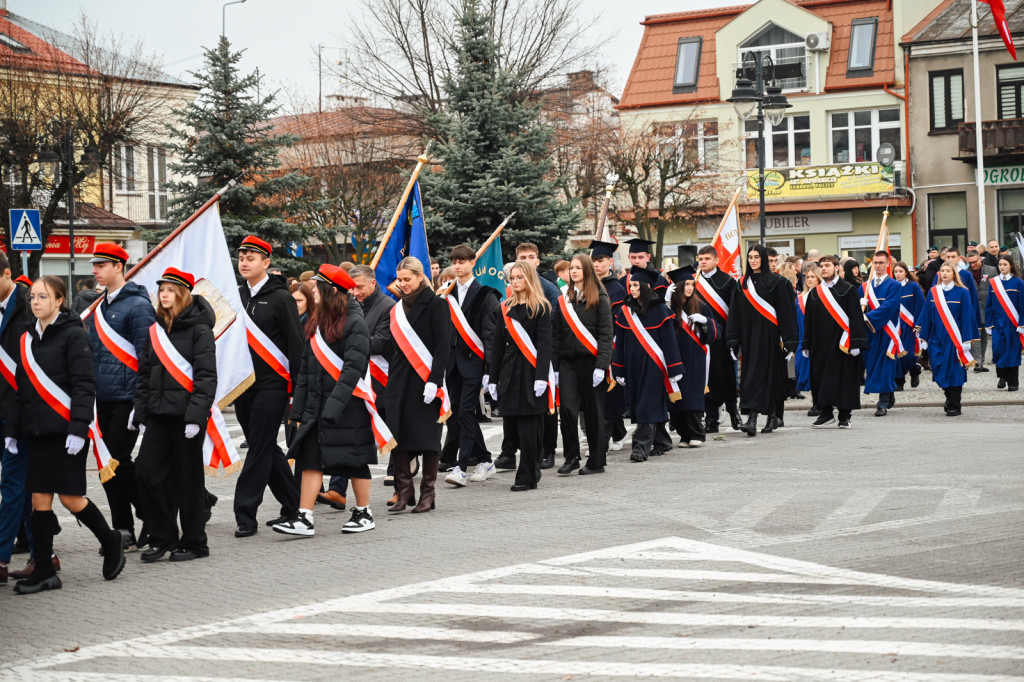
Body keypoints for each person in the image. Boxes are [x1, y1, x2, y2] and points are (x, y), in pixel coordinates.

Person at [5, 276, 125, 593]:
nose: (35, 302)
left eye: (42, 297)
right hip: (37, 430)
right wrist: (13, 431)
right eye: (32, 297)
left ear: (59, 300)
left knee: (71, 498)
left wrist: (78, 428)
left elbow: (84, 387)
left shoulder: (74, 335)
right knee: (38, 498)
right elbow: (22, 389)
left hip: (66, 432)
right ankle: (45, 570)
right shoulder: (28, 338)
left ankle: (111, 540)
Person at [274, 265, 377, 536]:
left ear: (331, 291)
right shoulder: (317, 322)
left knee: (354, 460)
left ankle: (364, 512)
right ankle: (304, 517)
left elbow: (353, 370)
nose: (313, 291)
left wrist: (335, 404)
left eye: (318, 286)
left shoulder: (355, 323)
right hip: (317, 406)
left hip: (348, 406)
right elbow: (307, 370)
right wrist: (298, 410)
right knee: (310, 459)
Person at [132, 269, 216, 562]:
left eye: (169, 290)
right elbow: (144, 375)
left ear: (182, 294)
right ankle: (164, 536)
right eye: (161, 290)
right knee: (145, 473)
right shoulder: (155, 329)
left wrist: (195, 417)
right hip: (158, 414)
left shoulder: (200, 330)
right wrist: (140, 412)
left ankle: (195, 543)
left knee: (189, 482)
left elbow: (206, 377)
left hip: (186, 418)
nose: (163, 295)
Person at [84, 243, 155, 551]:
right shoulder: (98, 307)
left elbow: (147, 356)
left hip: (127, 397)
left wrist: (141, 402)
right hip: (103, 397)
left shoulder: (138, 306)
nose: (94, 270)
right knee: (108, 465)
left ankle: (145, 518)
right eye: (94, 265)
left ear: (118, 267)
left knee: (117, 462)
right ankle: (130, 525)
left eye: (101, 265)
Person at [233, 236, 302, 539]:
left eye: (251, 258)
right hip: (243, 385)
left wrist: (298, 389)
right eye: (242, 258)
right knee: (266, 447)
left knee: (259, 447)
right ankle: (295, 504)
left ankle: (245, 513)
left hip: (273, 384)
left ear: (266, 263)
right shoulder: (236, 295)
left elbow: (296, 345)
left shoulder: (280, 298)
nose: (245, 263)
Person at [385, 257, 450, 513]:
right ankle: (404, 492)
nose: (402, 284)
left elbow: (443, 346)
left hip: (425, 381)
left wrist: (434, 381)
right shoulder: (397, 308)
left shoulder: (437, 305)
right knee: (398, 436)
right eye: (399, 279)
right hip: (399, 381)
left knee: (428, 439)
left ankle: (428, 493)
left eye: (407, 279)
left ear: (420, 277)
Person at [486, 261, 552, 490]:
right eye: (511, 278)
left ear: (529, 279)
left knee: (528, 429)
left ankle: (526, 477)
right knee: (513, 426)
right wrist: (493, 378)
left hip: (532, 373)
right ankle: (532, 467)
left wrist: (542, 377)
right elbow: (497, 347)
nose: (514, 281)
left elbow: (544, 346)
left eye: (519, 277)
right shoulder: (504, 308)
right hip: (510, 372)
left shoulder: (541, 308)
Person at [439, 245, 501, 487]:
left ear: (473, 262)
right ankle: (486, 459)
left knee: (466, 411)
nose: (457, 265)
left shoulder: (486, 294)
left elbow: (490, 334)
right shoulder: (447, 293)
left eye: (462, 261)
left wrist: (490, 369)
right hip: (452, 363)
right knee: (460, 412)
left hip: (474, 363)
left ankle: (462, 467)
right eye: (454, 261)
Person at [726, 244, 799, 436]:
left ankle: (758, 418)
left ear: (764, 259)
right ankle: (764, 416)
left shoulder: (778, 282)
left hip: (771, 338)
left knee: (768, 379)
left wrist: (790, 341)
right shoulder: (741, 284)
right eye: (750, 257)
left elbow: (787, 313)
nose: (752, 260)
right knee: (752, 378)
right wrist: (732, 339)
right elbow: (734, 314)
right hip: (750, 339)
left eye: (756, 257)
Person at [612, 266, 682, 461]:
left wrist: (674, 368)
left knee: (646, 404)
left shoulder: (661, 310)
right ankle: (662, 441)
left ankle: (640, 448)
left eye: (635, 285)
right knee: (643, 403)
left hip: (655, 366)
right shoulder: (625, 311)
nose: (631, 289)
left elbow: (669, 342)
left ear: (645, 286)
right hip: (633, 366)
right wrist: (619, 368)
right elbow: (620, 342)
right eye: (630, 285)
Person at [552, 254, 612, 474]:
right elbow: (556, 335)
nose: (574, 271)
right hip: (568, 362)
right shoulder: (563, 300)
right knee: (567, 409)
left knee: (593, 412)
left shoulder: (599, 297)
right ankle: (571, 457)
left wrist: (601, 365)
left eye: (578, 268)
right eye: (572, 268)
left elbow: (606, 333)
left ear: (587, 271)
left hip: (591, 362)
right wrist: (556, 367)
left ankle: (596, 461)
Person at [347, 265, 396, 505]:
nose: (355, 291)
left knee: (389, 426)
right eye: (352, 286)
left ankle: (398, 473)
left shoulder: (387, 306)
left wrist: (351, 343)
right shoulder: (351, 304)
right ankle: (338, 485)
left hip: (381, 376)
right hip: (359, 375)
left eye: (360, 286)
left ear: (373, 283)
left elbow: (382, 342)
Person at [802, 256, 868, 428]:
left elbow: (855, 317)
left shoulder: (848, 289)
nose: (823, 269)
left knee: (843, 379)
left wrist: (856, 342)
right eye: (821, 266)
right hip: (820, 344)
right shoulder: (815, 293)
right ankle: (825, 413)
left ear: (837, 267)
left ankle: (845, 416)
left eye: (827, 266)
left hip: (842, 344)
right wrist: (806, 344)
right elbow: (808, 320)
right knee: (820, 378)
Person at [0, 254, 34, 584]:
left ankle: (0, 558)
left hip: (21, 414)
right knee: (22, 490)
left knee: (11, 484)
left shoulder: (29, 304)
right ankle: (44, 555)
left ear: (8, 274)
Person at [512, 243, 560, 469]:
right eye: (523, 257)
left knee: (547, 407)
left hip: (542, 353)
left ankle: (548, 451)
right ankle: (521, 450)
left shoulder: (548, 289)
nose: (528, 260)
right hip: (518, 358)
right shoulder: (512, 287)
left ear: (538, 261)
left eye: (532, 257)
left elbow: (555, 320)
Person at [918, 262, 978, 416]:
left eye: (948, 271)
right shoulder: (933, 292)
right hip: (936, 338)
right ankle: (948, 396)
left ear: (954, 274)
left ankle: (955, 404)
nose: (944, 273)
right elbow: (926, 315)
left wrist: (966, 341)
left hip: (955, 339)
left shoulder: (962, 292)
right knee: (938, 369)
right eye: (942, 271)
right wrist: (923, 337)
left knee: (955, 372)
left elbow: (967, 317)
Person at [667, 267, 718, 447]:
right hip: (675, 356)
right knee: (677, 397)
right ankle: (684, 435)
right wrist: (666, 303)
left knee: (692, 396)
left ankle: (697, 434)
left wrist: (706, 322)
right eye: (686, 284)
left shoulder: (701, 306)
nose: (689, 288)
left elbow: (714, 330)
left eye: (691, 284)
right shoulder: (670, 307)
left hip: (695, 357)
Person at [693, 245, 741, 433]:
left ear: (716, 260)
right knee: (706, 378)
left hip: (723, 338)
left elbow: (734, 313)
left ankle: (733, 413)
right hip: (701, 338)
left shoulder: (728, 282)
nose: (703, 262)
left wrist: (733, 338)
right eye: (701, 259)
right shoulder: (694, 281)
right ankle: (711, 418)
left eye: (707, 258)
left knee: (727, 377)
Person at [588, 240, 628, 453]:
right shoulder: (588, 285)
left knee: (610, 395)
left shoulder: (617, 289)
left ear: (610, 262)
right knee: (597, 395)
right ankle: (619, 432)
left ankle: (603, 440)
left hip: (610, 346)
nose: (597, 264)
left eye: (601, 260)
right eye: (593, 260)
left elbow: (617, 321)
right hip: (590, 347)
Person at [860, 251, 903, 417]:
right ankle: (889, 391)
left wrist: (868, 316)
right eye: (875, 263)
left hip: (886, 332)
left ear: (887, 264)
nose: (877, 266)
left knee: (885, 366)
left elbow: (890, 307)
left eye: (881, 263)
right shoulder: (864, 287)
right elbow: (856, 310)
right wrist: (860, 306)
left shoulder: (894, 285)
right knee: (871, 366)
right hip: (869, 333)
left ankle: (882, 402)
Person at [985, 256, 1024, 391]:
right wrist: (989, 323)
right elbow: (989, 305)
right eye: (1000, 264)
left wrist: (1022, 324)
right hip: (997, 323)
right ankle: (1002, 377)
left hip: (1013, 324)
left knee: (1013, 352)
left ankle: (1013, 382)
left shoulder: (1018, 283)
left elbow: (1022, 305)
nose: (1002, 267)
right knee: (999, 350)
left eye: (1005, 264)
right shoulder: (993, 282)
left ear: (1011, 266)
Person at [893, 262, 925, 390]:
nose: (898, 274)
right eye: (896, 272)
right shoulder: (892, 286)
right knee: (896, 355)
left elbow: (920, 305)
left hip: (910, 326)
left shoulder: (913, 287)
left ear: (906, 272)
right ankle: (899, 381)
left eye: (900, 271)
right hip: (895, 326)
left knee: (908, 355)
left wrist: (918, 324)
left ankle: (914, 369)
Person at [965, 250, 999, 371]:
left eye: (974, 262)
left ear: (980, 259)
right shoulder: (965, 273)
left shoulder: (991, 270)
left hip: (987, 307)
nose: (972, 265)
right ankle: (977, 362)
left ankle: (981, 360)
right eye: (970, 263)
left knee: (985, 336)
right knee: (975, 336)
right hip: (972, 309)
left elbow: (997, 289)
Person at [794, 265, 820, 399]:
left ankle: (818, 402)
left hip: (818, 340)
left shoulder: (823, 297)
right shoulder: (800, 299)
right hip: (802, 340)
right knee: (802, 370)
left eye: (813, 277)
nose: (809, 280)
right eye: (807, 277)